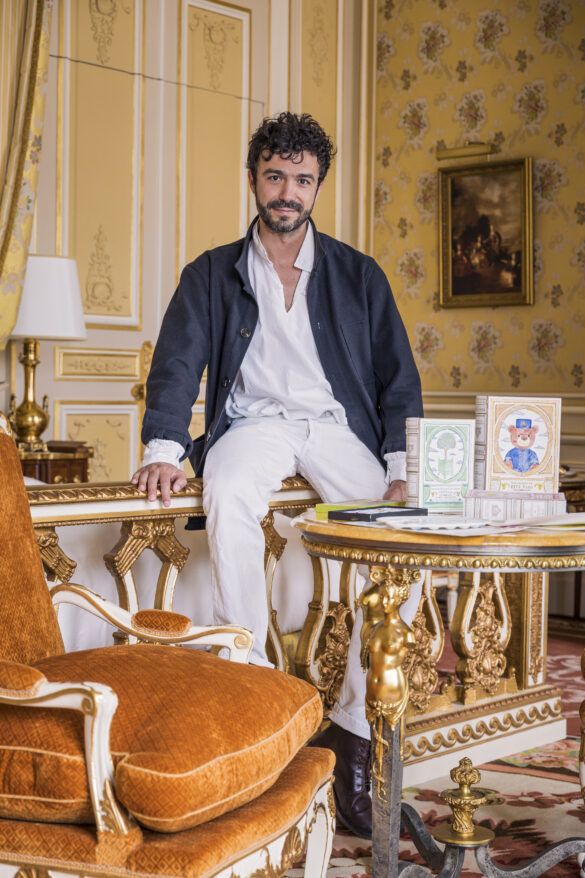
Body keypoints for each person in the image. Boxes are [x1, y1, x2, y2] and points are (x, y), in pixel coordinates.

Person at [132, 112, 424, 839]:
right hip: (252, 425)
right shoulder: (210, 272)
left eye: (301, 179)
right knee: (228, 494)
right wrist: (164, 448)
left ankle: (351, 733)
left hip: (335, 428)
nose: (287, 192)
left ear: (317, 186)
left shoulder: (358, 274)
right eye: (274, 176)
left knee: (406, 546)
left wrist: (400, 469)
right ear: (253, 180)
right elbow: (176, 363)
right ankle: (258, 688)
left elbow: (398, 379)